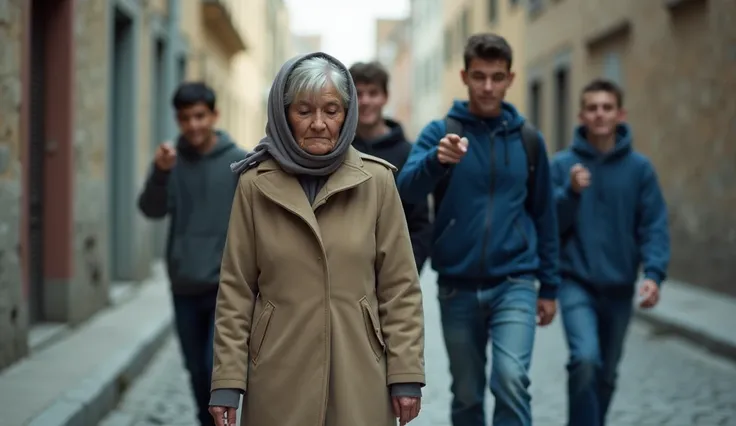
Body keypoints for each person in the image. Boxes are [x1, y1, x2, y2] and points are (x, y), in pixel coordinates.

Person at [207, 52, 426, 426]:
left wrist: (406, 374)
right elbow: (236, 289)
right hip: (277, 367)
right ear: (283, 113)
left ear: (347, 114)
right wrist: (227, 381)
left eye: (332, 110)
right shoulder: (254, 183)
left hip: (359, 368)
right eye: (304, 111)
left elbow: (399, 286)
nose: (319, 124)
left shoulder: (377, 182)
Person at [396, 33, 560, 426]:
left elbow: (545, 214)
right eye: (480, 76)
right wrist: (437, 161)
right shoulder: (441, 132)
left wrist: (550, 287)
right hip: (457, 286)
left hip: (515, 282)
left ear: (510, 78)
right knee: (467, 395)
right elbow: (405, 191)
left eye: (497, 77)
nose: (488, 87)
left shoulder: (529, 141)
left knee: (511, 378)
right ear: (464, 76)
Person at [551, 79, 670, 426]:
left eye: (607, 107)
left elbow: (653, 226)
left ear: (620, 114)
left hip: (619, 288)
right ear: (581, 115)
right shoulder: (562, 166)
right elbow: (549, 228)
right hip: (575, 282)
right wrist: (570, 193)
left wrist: (653, 274)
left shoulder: (640, 170)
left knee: (606, 375)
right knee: (585, 360)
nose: (599, 114)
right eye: (592, 107)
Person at [137, 82, 246, 426]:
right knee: (195, 370)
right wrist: (160, 172)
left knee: (217, 370)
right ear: (178, 120)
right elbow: (151, 209)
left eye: (200, 116)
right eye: (185, 118)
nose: (193, 125)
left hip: (224, 289)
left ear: (214, 115)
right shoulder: (171, 160)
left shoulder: (238, 162)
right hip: (184, 284)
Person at [348, 61, 432, 272]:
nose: (365, 101)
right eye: (358, 93)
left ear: (385, 97)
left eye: (373, 93)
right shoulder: (337, 152)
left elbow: (419, 222)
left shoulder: (408, 153)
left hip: (395, 271)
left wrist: (409, 271)